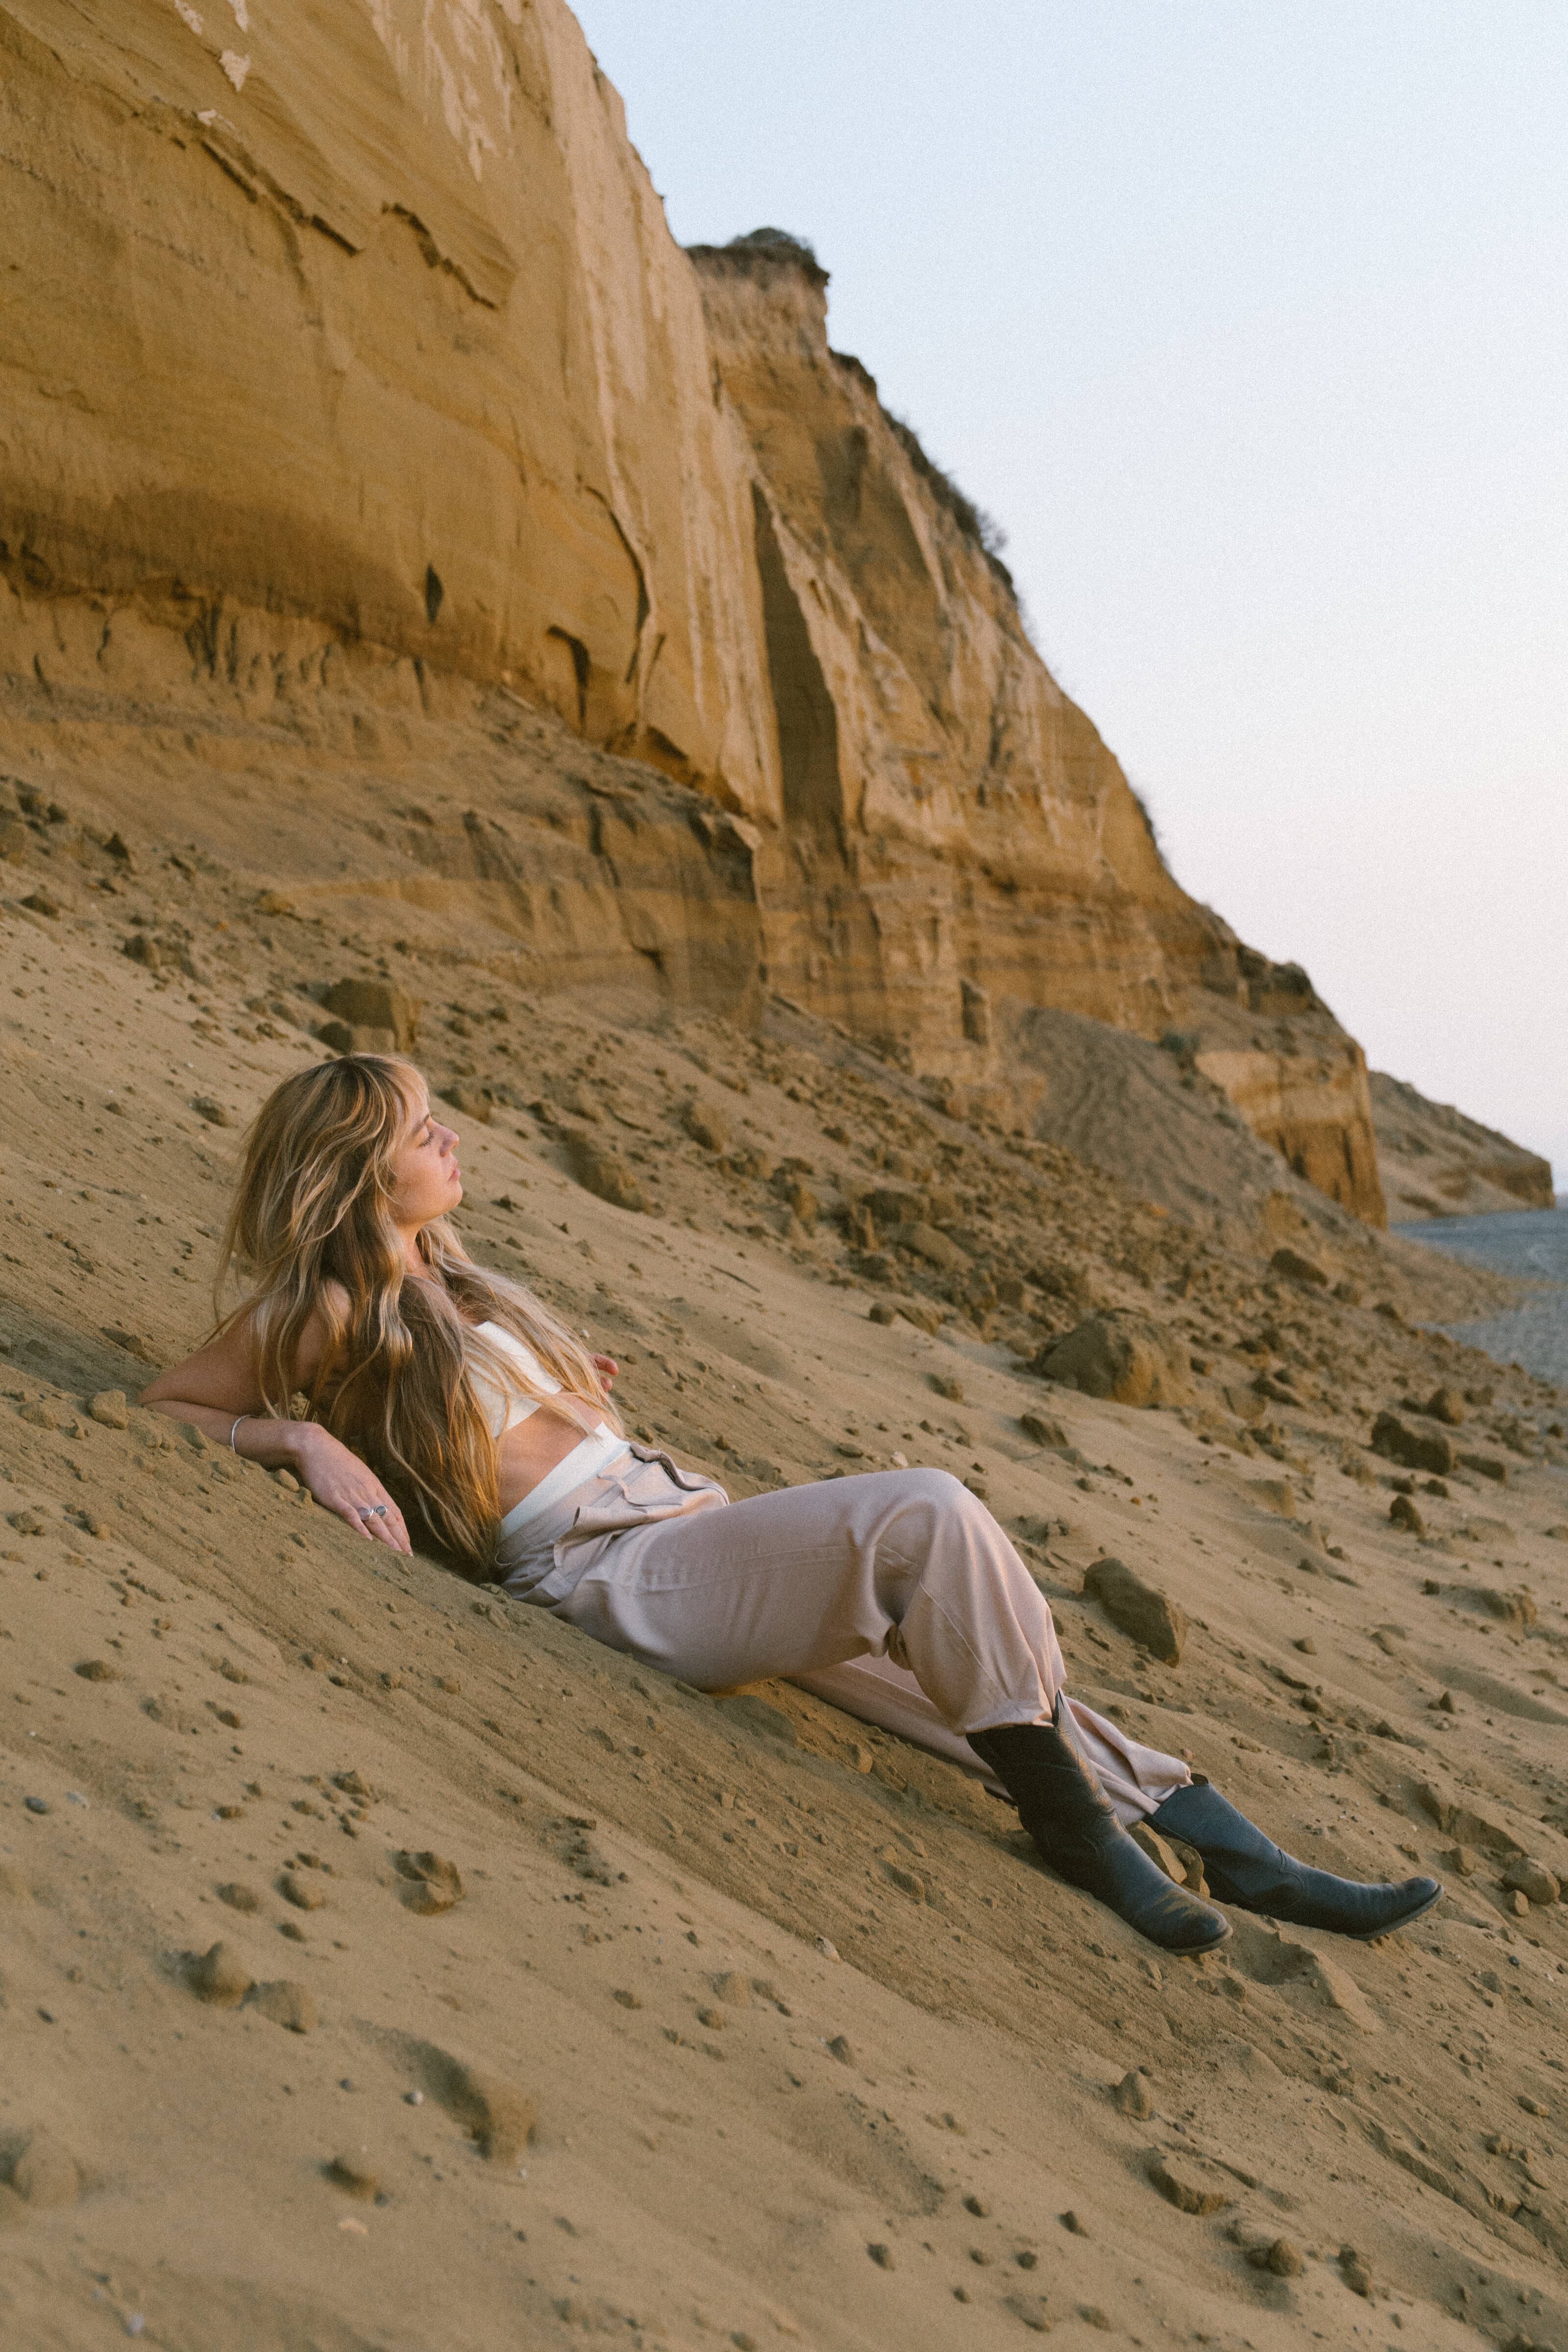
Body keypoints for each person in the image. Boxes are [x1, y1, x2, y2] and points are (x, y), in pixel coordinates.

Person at [144, 1054, 1442, 1955]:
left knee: (961, 1651)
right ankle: (1084, 1842)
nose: (447, 1138)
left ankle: (1239, 1852)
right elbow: (168, 1406)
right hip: (603, 1579)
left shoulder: (460, 1283)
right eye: (419, 1130)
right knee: (927, 1517)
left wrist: (569, 1397)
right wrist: (299, 1444)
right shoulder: (326, 1311)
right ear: (354, 1170)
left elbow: (497, 1422)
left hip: (682, 1529)